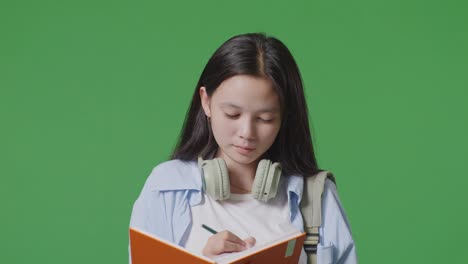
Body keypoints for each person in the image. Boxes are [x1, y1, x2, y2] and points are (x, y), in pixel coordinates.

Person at [129, 33, 357, 263]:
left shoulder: (317, 196)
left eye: (265, 119)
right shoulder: (165, 187)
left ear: (285, 117)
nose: (247, 133)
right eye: (232, 114)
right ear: (206, 102)